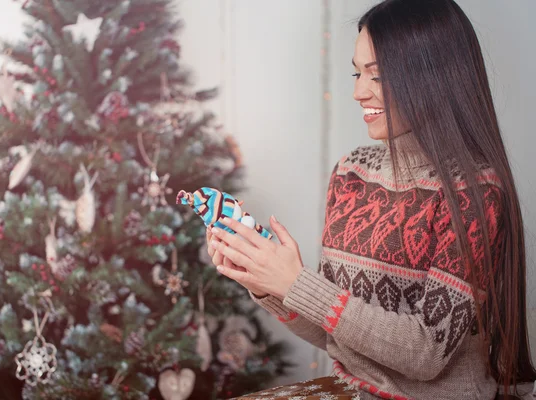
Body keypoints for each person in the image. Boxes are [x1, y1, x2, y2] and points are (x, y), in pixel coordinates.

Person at [205, 0, 536, 399]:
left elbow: (427, 353)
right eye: (356, 72)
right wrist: (266, 282)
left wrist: (298, 282)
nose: (358, 92)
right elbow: (339, 335)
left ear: (432, 77)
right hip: (351, 389)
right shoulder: (351, 173)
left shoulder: (475, 193)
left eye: (377, 76)